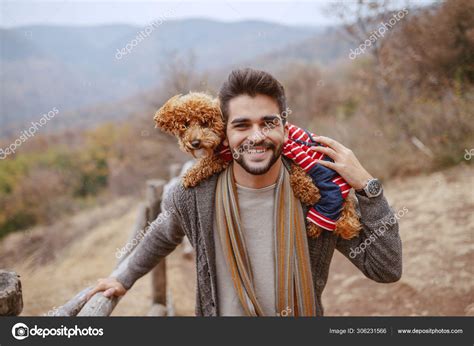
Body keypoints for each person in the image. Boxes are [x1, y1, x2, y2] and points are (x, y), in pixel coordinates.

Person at [86, 68, 402, 316]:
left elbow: (385, 269)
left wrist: (368, 187)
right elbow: (162, 234)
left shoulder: (317, 195)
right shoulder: (194, 196)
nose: (256, 136)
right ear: (225, 130)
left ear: (285, 126)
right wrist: (122, 277)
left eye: (268, 123)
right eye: (241, 125)